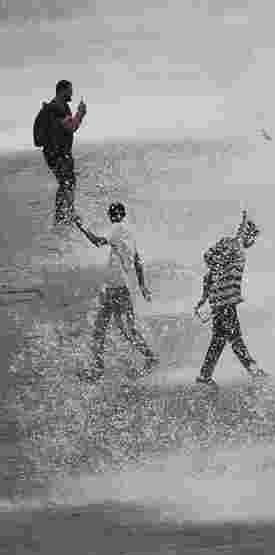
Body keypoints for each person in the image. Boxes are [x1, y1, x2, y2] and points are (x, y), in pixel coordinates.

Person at [74, 202, 158, 381]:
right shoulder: (130, 233)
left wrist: (81, 226)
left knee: (106, 329)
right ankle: (147, 357)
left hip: (115, 288)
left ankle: (99, 369)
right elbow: (138, 261)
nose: (113, 217)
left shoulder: (117, 228)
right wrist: (142, 286)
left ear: (113, 216)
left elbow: (97, 241)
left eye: (113, 214)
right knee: (123, 328)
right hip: (119, 287)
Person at [193, 211, 267, 385]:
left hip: (221, 301)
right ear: (247, 234)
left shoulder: (232, 246)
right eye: (253, 237)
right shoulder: (234, 246)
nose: (253, 242)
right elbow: (211, 260)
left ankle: (204, 376)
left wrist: (205, 296)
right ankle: (254, 371)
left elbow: (211, 268)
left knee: (221, 339)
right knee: (234, 338)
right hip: (224, 302)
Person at [35, 80, 86, 224]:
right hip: (56, 154)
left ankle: (65, 213)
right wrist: (81, 114)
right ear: (62, 91)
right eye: (70, 90)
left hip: (60, 153)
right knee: (66, 182)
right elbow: (71, 127)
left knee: (68, 182)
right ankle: (65, 214)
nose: (72, 93)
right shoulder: (56, 108)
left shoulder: (61, 107)